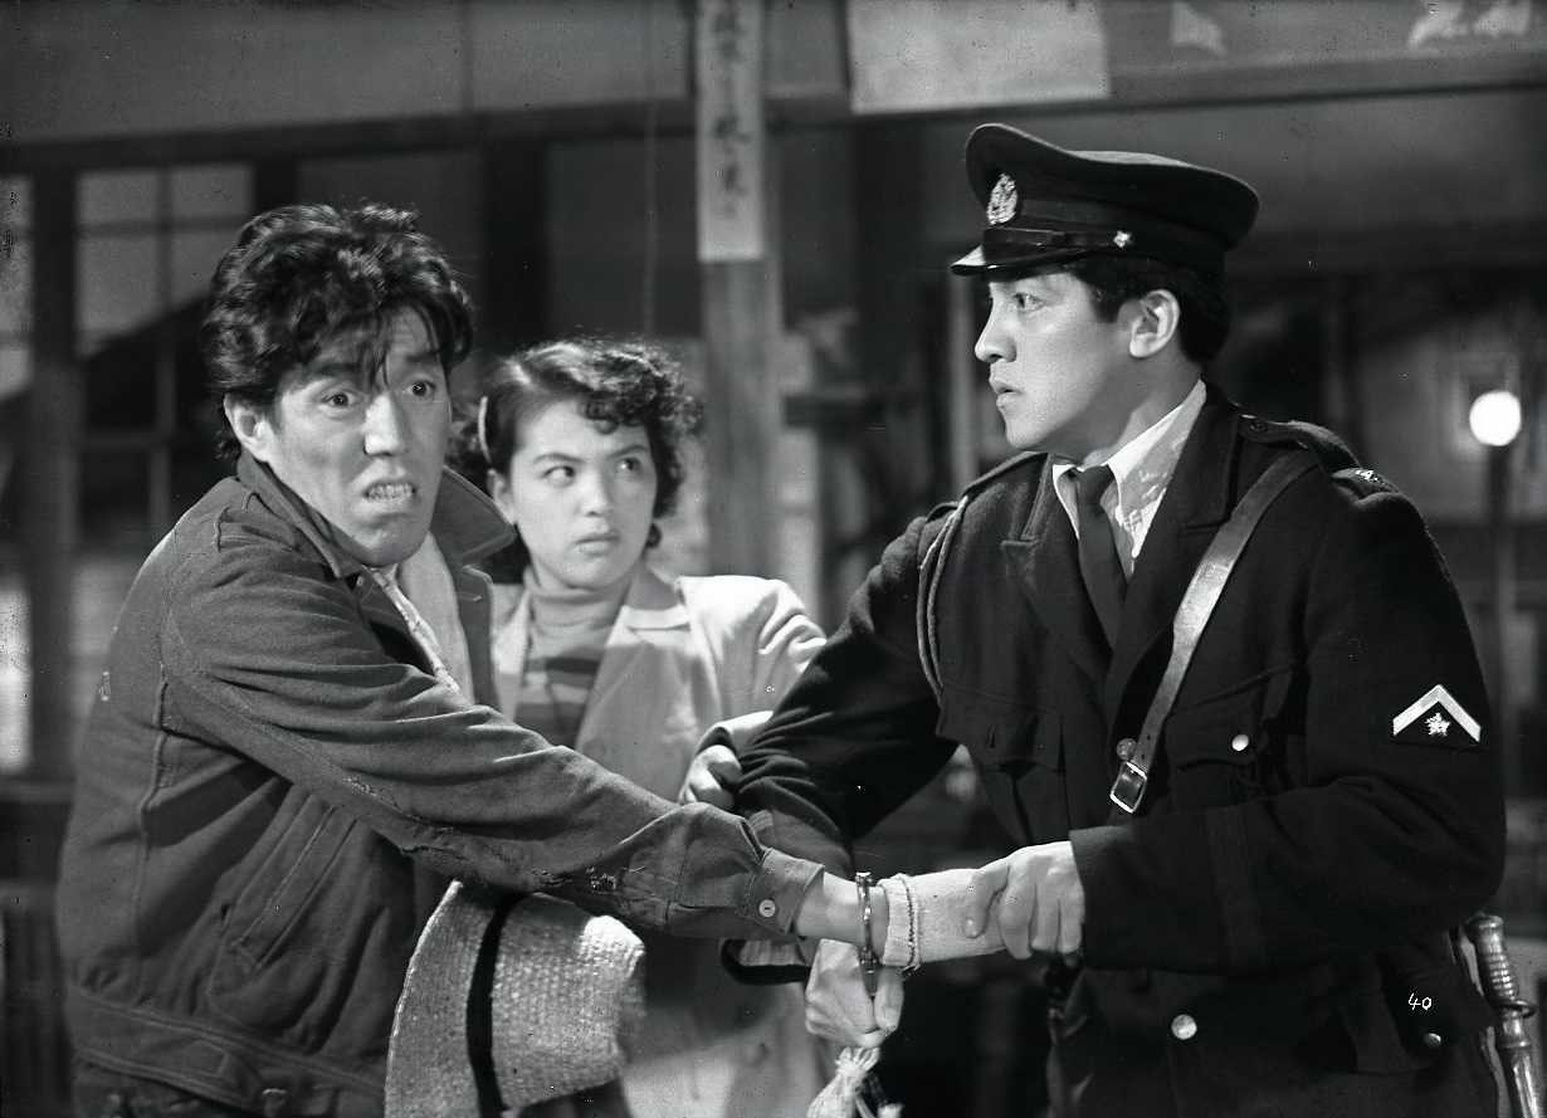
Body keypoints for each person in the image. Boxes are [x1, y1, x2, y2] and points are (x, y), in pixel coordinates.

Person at [707, 124, 1508, 1117]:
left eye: (1026, 302)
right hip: (1110, 1085)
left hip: (1341, 1089)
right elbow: (793, 765)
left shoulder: (1329, 530)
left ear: (1146, 321)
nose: (986, 341)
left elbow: (1430, 834)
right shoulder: (958, 558)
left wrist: (1103, 880)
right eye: (990, 303)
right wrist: (830, 919)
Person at [52, 202, 881, 1118]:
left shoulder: (440, 563)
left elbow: (828, 742)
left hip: (452, 1049)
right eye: (338, 397)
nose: (390, 433)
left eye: (417, 386)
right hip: (215, 1077)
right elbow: (485, 791)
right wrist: (799, 896)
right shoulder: (237, 587)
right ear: (252, 423)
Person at [455, 338, 831, 1117]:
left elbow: (837, 748)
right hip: (511, 1061)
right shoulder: (456, 649)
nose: (599, 499)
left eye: (627, 464)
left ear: (659, 478)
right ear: (502, 492)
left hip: (710, 1050)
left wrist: (741, 755)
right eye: (560, 471)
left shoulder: (745, 621)